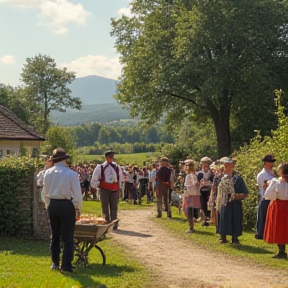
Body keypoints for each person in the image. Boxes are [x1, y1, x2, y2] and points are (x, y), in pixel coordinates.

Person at [41, 148, 82, 272]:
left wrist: (48, 205)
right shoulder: (71, 174)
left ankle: (55, 262)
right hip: (66, 204)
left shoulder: (47, 173)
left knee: (55, 235)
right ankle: (66, 265)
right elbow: (78, 195)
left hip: (53, 204)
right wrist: (78, 208)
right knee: (68, 236)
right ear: (64, 159)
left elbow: (44, 193)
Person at [216, 157, 248, 244]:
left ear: (232, 166)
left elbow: (245, 192)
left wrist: (236, 196)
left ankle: (235, 238)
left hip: (235, 203)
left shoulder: (238, 179)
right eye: (225, 165)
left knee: (235, 219)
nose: (225, 167)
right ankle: (223, 237)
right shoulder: (221, 178)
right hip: (224, 202)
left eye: (227, 165)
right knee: (224, 218)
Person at [90, 150, 123, 228]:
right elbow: (94, 178)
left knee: (114, 207)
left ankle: (114, 223)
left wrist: (120, 186)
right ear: (106, 157)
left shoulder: (116, 167)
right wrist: (97, 185)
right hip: (104, 189)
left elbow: (120, 178)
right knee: (105, 206)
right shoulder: (100, 167)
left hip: (114, 188)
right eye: (110, 156)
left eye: (112, 156)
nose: (111, 158)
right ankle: (106, 222)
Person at [263, 162, 288, 259]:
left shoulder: (276, 182)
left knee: (279, 228)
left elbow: (269, 195)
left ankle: (281, 251)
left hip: (279, 206)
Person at [255, 154, 276, 239]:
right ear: (265, 163)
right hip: (265, 197)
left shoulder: (272, 173)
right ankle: (261, 234)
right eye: (270, 162)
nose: (272, 164)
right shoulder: (262, 175)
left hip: (272, 197)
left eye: (272, 162)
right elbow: (263, 186)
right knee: (264, 217)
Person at [183, 160, 201, 233]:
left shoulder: (189, 176)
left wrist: (186, 194)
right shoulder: (194, 175)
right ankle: (192, 225)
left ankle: (191, 227)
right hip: (195, 194)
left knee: (188, 211)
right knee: (192, 210)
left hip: (190, 195)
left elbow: (189, 186)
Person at [197, 157, 214, 227]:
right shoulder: (200, 173)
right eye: (203, 164)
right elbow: (197, 182)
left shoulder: (211, 173)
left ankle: (209, 218)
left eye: (206, 164)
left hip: (209, 189)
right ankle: (204, 219)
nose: (204, 165)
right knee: (203, 204)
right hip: (202, 190)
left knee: (209, 204)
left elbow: (213, 181)